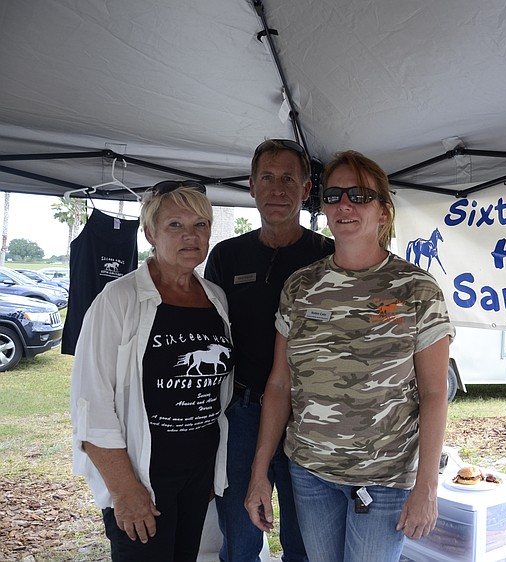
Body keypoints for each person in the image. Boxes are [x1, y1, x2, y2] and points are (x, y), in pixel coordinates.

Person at [245, 150, 455, 561]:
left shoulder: (416, 289)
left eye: (359, 195)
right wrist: (258, 474)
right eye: (335, 194)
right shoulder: (300, 286)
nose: (344, 204)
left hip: (385, 477)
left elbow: (434, 392)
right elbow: (279, 383)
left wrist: (426, 487)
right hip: (310, 473)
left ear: (383, 210)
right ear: (322, 206)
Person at [70, 181, 234, 561]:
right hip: (142, 475)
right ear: (150, 233)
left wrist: (209, 471)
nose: (190, 236)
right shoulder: (118, 300)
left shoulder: (216, 298)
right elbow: (90, 404)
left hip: (196, 473)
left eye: (201, 225)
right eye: (175, 225)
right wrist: (126, 491)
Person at [205, 139, 334, 561]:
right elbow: (208, 336)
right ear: (251, 186)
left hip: (308, 417)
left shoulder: (329, 255)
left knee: (306, 541)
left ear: (305, 188)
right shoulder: (226, 255)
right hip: (242, 413)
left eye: (288, 179)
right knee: (239, 541)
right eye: (267, 178)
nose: (277, 189)